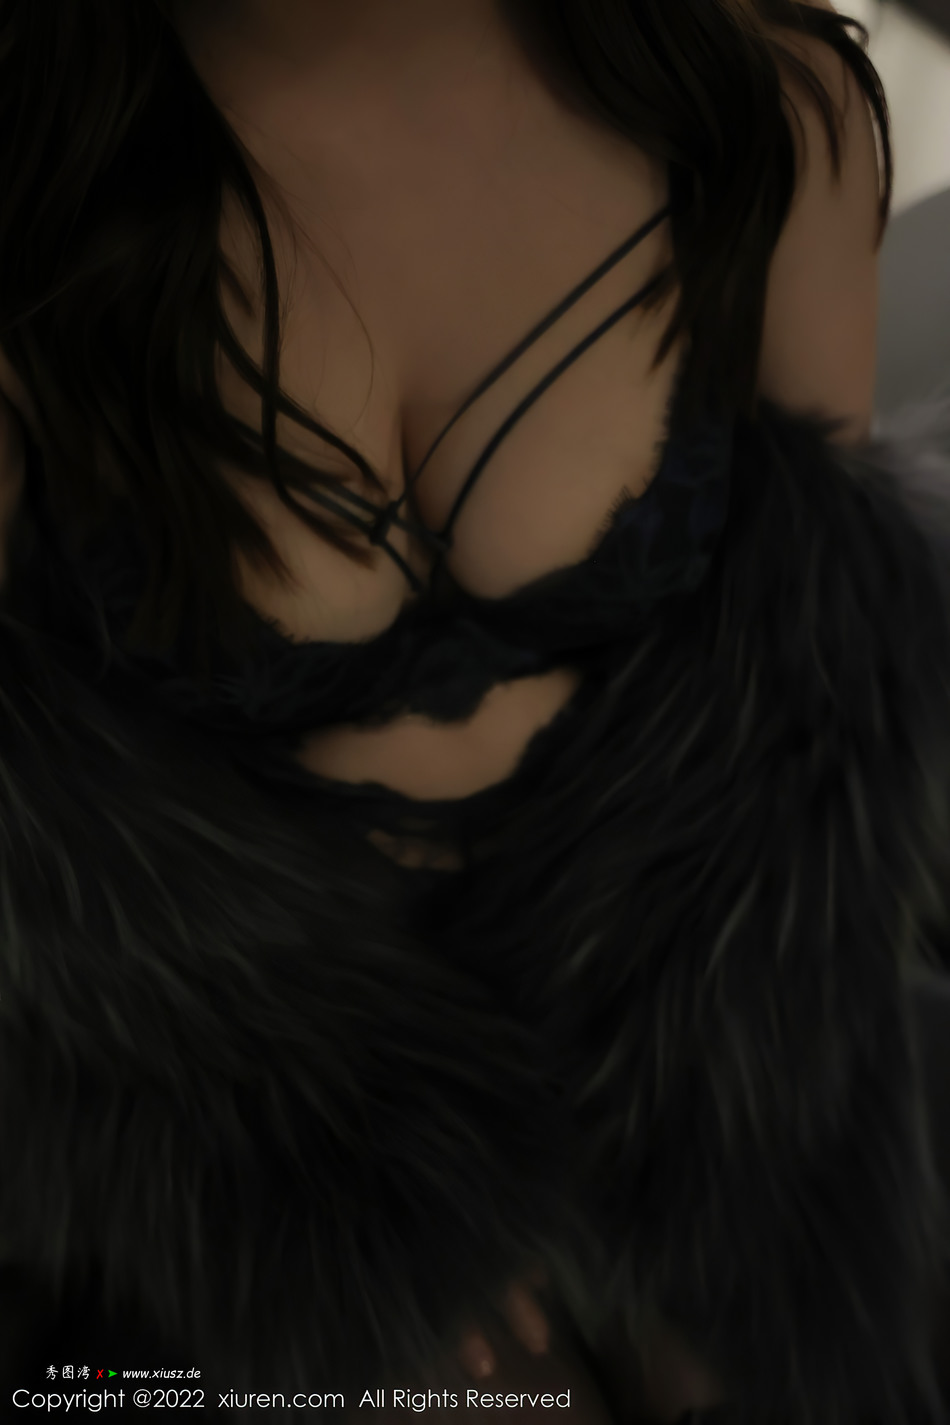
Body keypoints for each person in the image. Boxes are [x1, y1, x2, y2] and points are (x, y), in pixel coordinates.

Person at [1, 0, 950, 1420]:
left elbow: (811, 717)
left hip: (701, 1074)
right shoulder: (34, 180)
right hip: (239, 1147)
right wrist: (316, 1220)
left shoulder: (762, 100)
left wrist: (730, 1159)